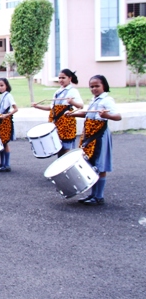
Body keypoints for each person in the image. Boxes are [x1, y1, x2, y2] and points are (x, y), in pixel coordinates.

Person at [66, 75, 122, 205]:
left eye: (97, 86)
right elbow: (88, 113)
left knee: (100, 165)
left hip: (99, 136)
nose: (94, 89)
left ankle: (99, 196)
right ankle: (93, 195)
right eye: (92, 86)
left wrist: (106, 115)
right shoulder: (94, 100)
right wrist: (73, 114)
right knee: (91, 165)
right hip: (90, 136)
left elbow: (118, 116)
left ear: (104, 86)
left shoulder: (107, 100)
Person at [31, 68, 83, 157]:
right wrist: (37, 106)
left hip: (67, 124)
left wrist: (72, 102)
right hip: (56, 124)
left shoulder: (72, 91)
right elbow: (51, 108)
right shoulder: (57, 91)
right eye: (59, 78)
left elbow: (81, 106)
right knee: (58, 147)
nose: (61, 80)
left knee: (67, 148)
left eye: (63, 78)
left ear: (70, 78)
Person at [0, 78, 18, 172]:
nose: (0, 88)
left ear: (6, 85)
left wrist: (6, 115)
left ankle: (7, 164)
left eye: (2, 85)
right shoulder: (2, 96)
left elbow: (15, 109)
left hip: (6, 121)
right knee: (0, 142)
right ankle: (2, 163)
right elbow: (0, 109)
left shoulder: (9, 96)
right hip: (0, 119)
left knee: (4, 143)